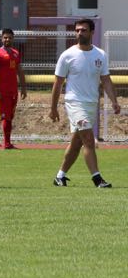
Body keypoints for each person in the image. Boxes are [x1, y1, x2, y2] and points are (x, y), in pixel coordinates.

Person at [50, 19, 119, 188]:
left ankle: (60, 176)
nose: (80, 33)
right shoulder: (67, 55)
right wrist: (53, 108)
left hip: (91, 104)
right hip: (74, 103)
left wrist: (114, 101)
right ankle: (97, 179)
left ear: (92, 33)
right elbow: (57, 83)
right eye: (77, 30)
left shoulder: (100, 55)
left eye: (84, 30)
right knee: (89, 140)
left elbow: (106, 80)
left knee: (76, 143)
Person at [0, 28, 27, 149]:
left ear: (13, 39)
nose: (7, 39)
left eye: (9, 37)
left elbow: (20, 71)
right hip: (1, 92)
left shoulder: (15, 53)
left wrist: (24, 88)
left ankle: (7, 143)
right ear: (1, 38)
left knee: (9, 117)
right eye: (5, 37)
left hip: (13, 91)